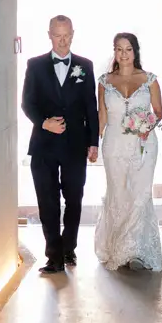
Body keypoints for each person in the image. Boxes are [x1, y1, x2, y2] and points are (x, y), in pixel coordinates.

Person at [20, 15, 99, 274]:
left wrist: (93, 142)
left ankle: (69, 248)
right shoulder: (35, 65)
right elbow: (27, 103)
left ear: (73, 34)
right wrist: (44, 123)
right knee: (48, 201)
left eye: (67, 35)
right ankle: (53, 256)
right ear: (49, 35)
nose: (63, 41)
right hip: (44, 145)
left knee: (74, 198)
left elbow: (91, 106)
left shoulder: (85, 66)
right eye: (58, 35)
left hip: (76, 145)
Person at [92, 32, 162, 272]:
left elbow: (158, 112)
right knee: (119, 193)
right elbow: (101, 116)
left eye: (128, 49)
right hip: (113, 146)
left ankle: (134, 250)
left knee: (140, 194)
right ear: (114, 52)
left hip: (144, 145)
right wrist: (93, 143)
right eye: (119, 49)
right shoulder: (104, 82)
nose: (123, 54)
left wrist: (147, 126)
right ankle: (119, 248)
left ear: (135, 52)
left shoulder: (150, 80)